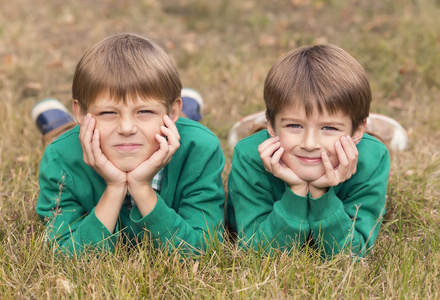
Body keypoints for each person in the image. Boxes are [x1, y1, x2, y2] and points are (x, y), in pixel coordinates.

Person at [35, 33, 225, 256]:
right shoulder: (60, 158)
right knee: (66, 137)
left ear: (172, 111)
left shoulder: (200, 149)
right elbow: (65, 255)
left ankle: (187, 112)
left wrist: (141, 187)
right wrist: (115, 187)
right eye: (107, 112)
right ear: (81, 112)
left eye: (144, 111)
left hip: (175, 126)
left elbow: (199, 250)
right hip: (81, 135)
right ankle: (58, 123)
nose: (126, 128)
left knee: (183, 128)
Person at [226, 44, 391, 258]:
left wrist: (321, 194)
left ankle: (359, 124)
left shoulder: (372, 159)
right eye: (294, 125)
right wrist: (296, 190)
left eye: (329, 127)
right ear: (272, 127)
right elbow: (258, 253)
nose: (310, 143)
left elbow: (351, 254)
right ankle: (265, 122)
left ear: (358, 130)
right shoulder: (249, 156)